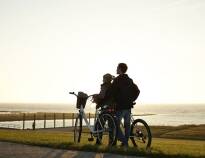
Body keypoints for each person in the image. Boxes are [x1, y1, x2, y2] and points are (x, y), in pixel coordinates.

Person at [107, 63, 138, 148]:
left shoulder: (117, 80)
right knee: (127, 126)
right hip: (128, 106)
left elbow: (110, 92)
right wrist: (131, 100)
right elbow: (137, 91)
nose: (116, 69)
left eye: (117, 68)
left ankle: (124, 141)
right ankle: (125, 143)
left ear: (120, 69)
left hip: (120, 107)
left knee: (115, 125)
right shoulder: (129, 80)